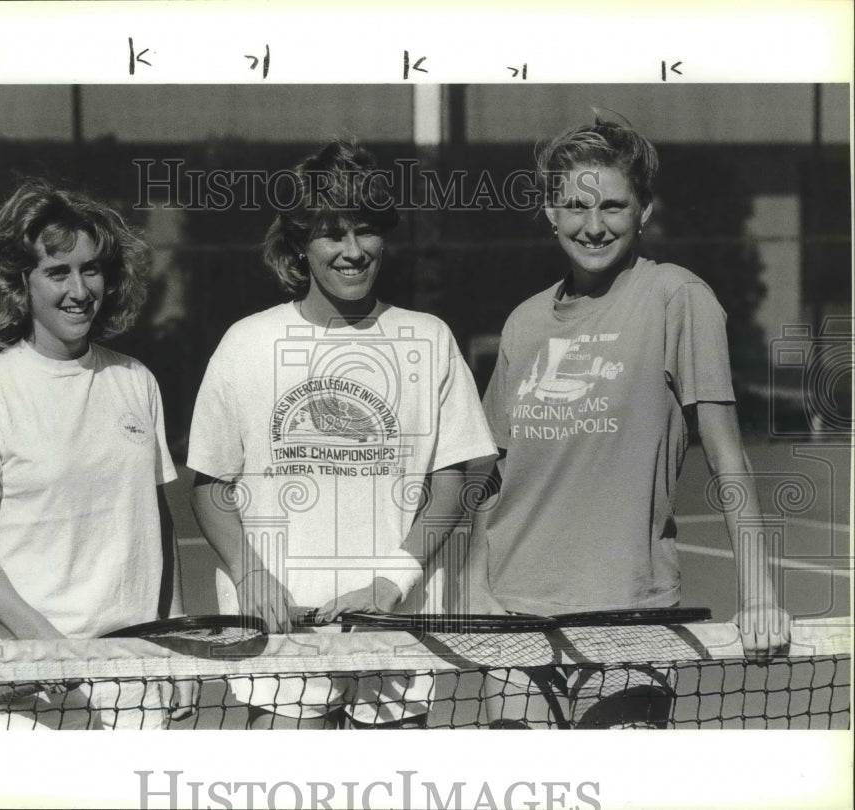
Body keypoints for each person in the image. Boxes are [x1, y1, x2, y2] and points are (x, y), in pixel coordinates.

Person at [470, 113, 790, 728]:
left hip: (629, 616)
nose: (594, 227)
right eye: (575, 207)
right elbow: (493, 471)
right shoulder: (523, 323)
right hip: (513, 614)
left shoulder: (677, 297)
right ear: (550, 212)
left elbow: (728, 456)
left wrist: (759, 592)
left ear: (643, 211)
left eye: (614, 206)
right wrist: (475, 589)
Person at [187, 141, 496, 728]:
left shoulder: (428, 339)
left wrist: (390, 583)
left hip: (394, 629)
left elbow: (450, 481)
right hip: (282, 636)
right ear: (300, 244)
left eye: (365, 231)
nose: (353, 252)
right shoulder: (246, 343)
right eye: (332, 234)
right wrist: (250, 573)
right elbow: (209, 483)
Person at [0, 178, 195, 729]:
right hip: (29, 690)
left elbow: (157, 525)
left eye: (90, 268)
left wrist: (179, 641)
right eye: (57, 272)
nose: (79, 289)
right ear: (18, 285)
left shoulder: (136, 381)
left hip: (131, 676)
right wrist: (43, 642)